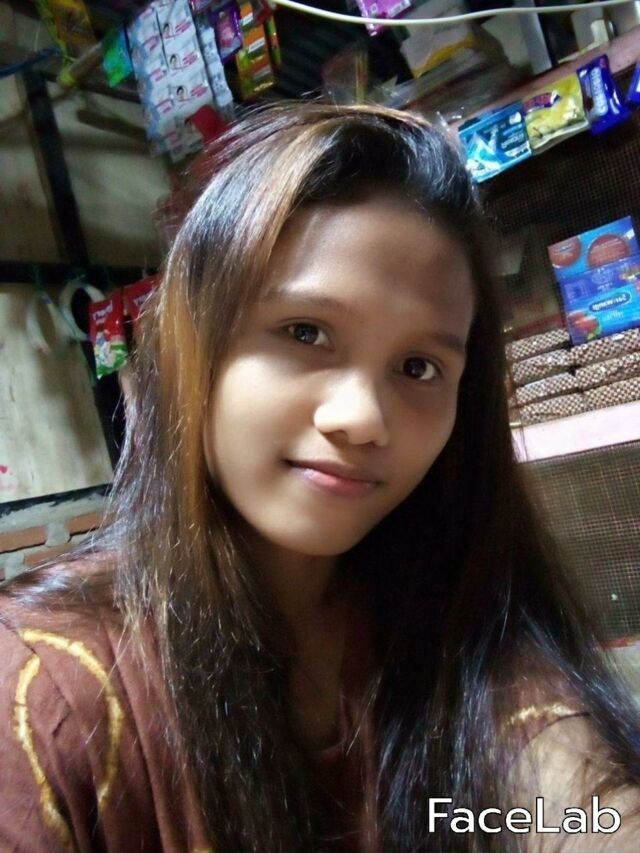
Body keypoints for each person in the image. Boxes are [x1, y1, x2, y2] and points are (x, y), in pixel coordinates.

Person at [1, 102, 639, 853]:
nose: (363, 418)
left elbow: (572, 799)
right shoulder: (46, 686)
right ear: (191, 344)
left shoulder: (446, 609)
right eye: (305, 331)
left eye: (418, 367)